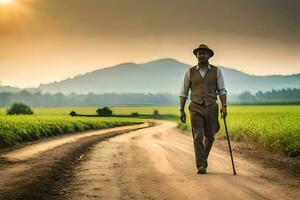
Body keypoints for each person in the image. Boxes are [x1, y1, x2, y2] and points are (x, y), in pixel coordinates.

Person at [179, 44, 228, 174]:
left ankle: (203, 160)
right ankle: (201, 165)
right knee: (198, 136)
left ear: (209, 56)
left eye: (204, 53)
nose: (201, 55)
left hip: (211, 107)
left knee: (210, 137)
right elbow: (183, 92)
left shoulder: (217, 71)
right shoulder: (189, 72)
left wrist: (224, 106)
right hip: (195, 106)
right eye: (199, 53)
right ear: (196, 55)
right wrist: (181, 110)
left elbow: (222, 90)